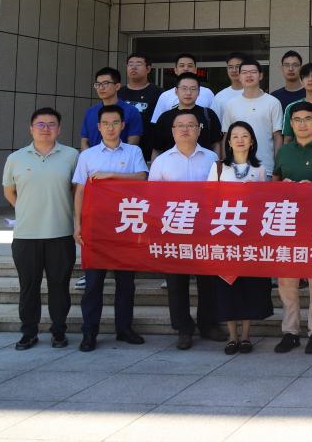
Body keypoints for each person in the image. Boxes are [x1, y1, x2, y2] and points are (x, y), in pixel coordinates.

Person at [72, 104, 147, 352]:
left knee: (126, 283)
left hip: (126, 225)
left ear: (123, 125)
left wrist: (110, 176)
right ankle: (89, 332)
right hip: (96, 227)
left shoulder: (134, 151)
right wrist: (77, 225)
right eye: (105, 123)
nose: (110, 128)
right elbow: (80, 191)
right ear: (98, 127)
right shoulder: (88, 155)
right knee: (93, 284)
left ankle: (124, 328)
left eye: (115, 123)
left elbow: (142, 178)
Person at [3, 107, 78, 351]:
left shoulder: (72, 156)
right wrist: (26, 209)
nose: (46, 129)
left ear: (60, 129)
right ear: (31, 128)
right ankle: (28, 332)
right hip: (26, 235)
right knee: (28, 287)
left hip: (60, 233)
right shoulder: (16, 158)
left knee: (59, 286)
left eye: (51, 124)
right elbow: (9, 191)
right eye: (40, 124)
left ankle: (59, 331)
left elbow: (76, 191)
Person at [148, 109, 224, 350]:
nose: (185, 129)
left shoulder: (212, 158)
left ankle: (209, 324)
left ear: (199, 130)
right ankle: (183, 328)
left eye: (191, 125)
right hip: (173, 230)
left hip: (205, 229)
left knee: (208, 280)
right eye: (180, 125)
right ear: (172, 131)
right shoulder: (161, 161)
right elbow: (152, 198)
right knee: (176, 282)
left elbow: (220, 193)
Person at [272, 101, 312, 355]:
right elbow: (273, 186)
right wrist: (284, 187)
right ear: (291, 123)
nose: (302, 124)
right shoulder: (284, 152)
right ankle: (290, 332)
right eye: (297, 119)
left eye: (307, 119)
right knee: (287, 281)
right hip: (287, 224)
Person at [208, 122, 273, 355]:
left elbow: (264, 204)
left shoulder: (260, 169)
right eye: (235, 136)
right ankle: (232, 336)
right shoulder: (218, 168)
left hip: (250, 236)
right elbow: (209, 200)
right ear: (228, 141)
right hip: (224, 234)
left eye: (245, 136)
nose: (240, 140)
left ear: (252, 141)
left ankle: (246, 336)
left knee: (249, 286)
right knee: (227, 285)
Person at [220, 58, 283, 171]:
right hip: (236, 168)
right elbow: (226, 136)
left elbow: (277, 136)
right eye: (244, 72)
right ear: (239, 76)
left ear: (261, 75)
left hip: (266, 167)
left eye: (253, 72)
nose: (249, 75)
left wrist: (277, 167)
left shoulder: (273, 102)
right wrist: (226, 165)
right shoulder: (231, 104)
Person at [151, 73, 222, 155]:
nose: (188, 93)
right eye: (184, 88)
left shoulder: (209, 115)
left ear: (199, 92)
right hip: (171, 162)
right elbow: (157, 149)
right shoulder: (165, 117)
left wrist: (216, 162)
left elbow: (216, 144)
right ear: (176, 91)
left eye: (193, 89)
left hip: (204, 162)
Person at [80, 67, 143, 150]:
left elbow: (133, 142)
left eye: (105, 83)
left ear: (117, 86)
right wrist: (89, 156)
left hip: (121, 157)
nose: (101, 88)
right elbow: (84, 140)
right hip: (93, 158)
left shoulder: (131, 111)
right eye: (98, 84)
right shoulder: (90, 112)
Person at [150, 53, 215, 121]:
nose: (186, 69)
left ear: (195, 70)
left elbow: (213, 118)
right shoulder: (165, 96)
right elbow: (156, 122)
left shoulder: (207, 93)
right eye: (182, 65)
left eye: (190, 66)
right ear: (175, 70)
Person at [116, 52, 160, 153]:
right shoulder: (118, 92)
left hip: (149, 150)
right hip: (120, 149)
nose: (133, 67)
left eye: (138, 64)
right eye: (130, 64)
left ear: (148, 69)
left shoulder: (158, 93)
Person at [211, 52, 247, 122]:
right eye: (230, 67)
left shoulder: (255, 94)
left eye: (237, 66)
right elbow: (215, 123)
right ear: (227, 70)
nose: (234, 70)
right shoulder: (219, 97)